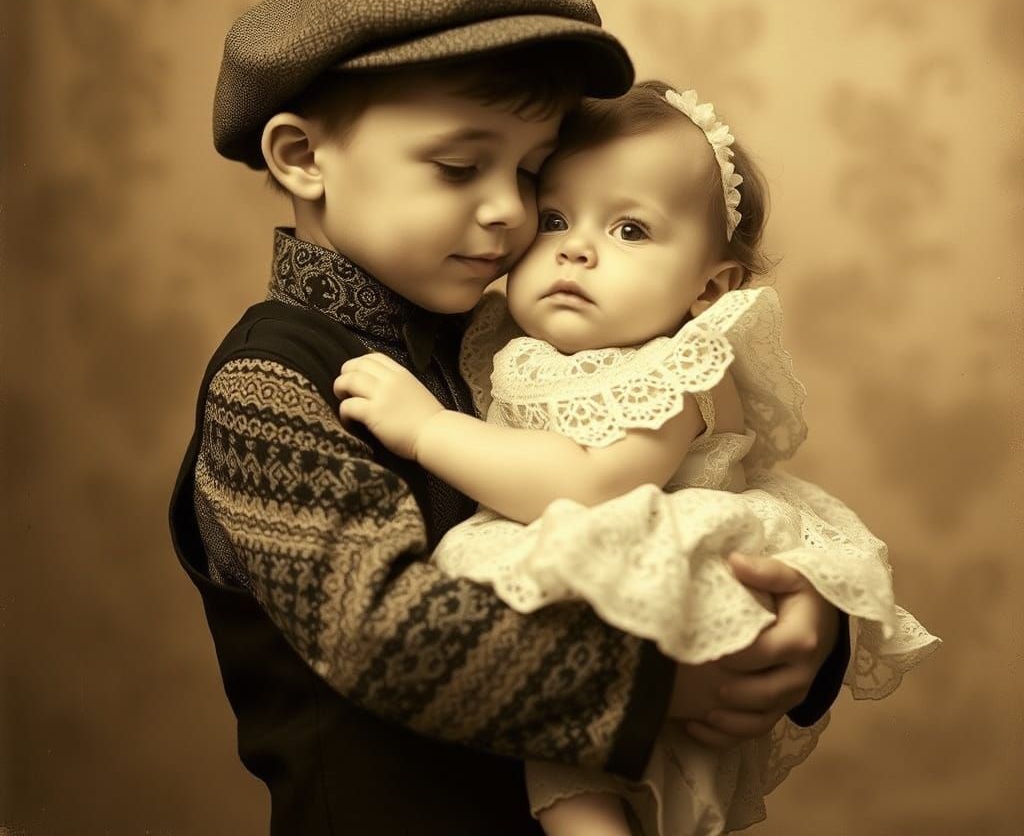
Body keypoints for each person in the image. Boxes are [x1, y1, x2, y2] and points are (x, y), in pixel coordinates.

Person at [169, 0, 849, 836]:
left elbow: (680, 508)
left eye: (530, 172)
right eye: (459, 166)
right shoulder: (268, 385)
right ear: (301, 158)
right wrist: (669, 680)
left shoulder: (511, 340)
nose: (509, 211)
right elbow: (384, 633)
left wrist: (797, 622)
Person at [333, 81, 940, 835]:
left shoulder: (668, 377)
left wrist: (428, 432)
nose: (575, 247)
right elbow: (371, 633)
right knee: (567, 782)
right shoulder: (489, 342)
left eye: (630, 230)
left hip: (646, 589)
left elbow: (593, 486)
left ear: (707, 289)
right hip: (561, 678)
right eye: (554, 218)